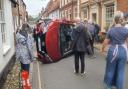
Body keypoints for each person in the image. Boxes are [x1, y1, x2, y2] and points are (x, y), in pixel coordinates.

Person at [101, 11, 128, 89]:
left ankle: (109, 86)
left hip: (112, 51)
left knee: (110, 70)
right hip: (122, 51)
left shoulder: (111, 30)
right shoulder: (126, 30)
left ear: (114, 19)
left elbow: (105, 42)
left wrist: (102, 49)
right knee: (121, 71)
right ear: (122, 19)